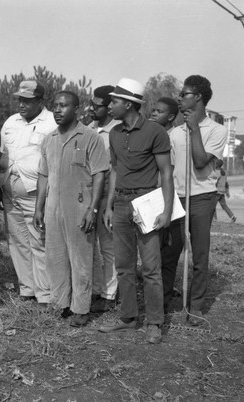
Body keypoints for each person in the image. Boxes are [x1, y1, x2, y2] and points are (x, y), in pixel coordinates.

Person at [99, 78, 173, 344]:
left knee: (151, 267)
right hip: (120, 205)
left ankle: (154, 323)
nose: (110, 105)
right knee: (124, 266)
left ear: (129, 104)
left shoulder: (155, 132)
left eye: (115, 101)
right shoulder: (114, 133)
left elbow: (166, 173)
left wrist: (165, 210)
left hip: (146, 203)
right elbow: (115, 171)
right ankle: (128, 318)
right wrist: (108, 206)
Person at [34, 91, 108, 327]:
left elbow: (99, 175)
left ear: (76, 109)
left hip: (79, 208)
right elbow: (43, 176)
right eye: (55, 106)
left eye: (64, 106)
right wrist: (39, 208)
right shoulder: (49, 139)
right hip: (53, 209)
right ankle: (60, 303)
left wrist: (92, 210)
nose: (57, 110)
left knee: (81, 260)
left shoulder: (90, 137)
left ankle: (81, 308)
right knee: (55, 258)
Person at [161, 75, 227, 325]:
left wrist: (195, 130)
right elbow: (169, 169)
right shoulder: (175, 133)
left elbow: (200, 162)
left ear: (198, 97)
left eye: (185, 94)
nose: (179, 97)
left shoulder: (217, 130)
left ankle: (196, 306)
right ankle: (164, 301)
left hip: (201, 198)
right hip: (177, 198)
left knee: (199, 254)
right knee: (169, 253)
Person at [0, 81, 57, 305]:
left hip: (36, 193)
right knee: (17, 241)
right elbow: (4, 155)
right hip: (9, 190)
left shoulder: (52, 122)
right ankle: (27, 289)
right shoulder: (11, 122)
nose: (22, 104)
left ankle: (45, 294)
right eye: (20, 100)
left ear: (40, 101)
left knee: (39, 242)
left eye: (28, 100)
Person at [88, 85, 121, 313]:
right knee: (90, 246)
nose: (91, 108)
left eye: (96, 105)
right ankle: (95, 290)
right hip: (88, 194)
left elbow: (115, 170)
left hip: (108, 194)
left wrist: (109, 203)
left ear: (109, 108)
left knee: (108, 246)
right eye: (91, 103)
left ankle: (110, 293)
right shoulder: (88, 129)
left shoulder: (117, 131)